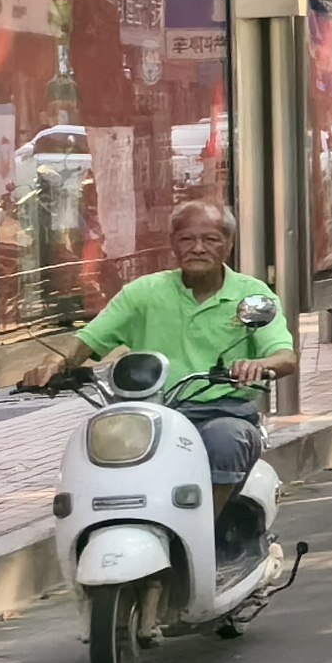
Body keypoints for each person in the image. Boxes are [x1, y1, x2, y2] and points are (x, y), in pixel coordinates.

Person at [76, 201, 296, 507]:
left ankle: (206, 526)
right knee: (98, 445)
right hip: (151, 414)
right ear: (173, 244)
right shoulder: (144, 293)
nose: (198, 248)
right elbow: (88, 339)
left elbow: (285, 357)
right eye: (187, 239)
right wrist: (55, 362)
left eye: (211, 239)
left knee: (225, 439)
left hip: (223, 412)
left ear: (229, 244)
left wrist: (258, 364)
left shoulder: (251, 295)